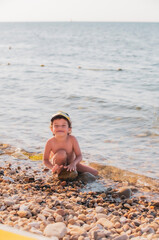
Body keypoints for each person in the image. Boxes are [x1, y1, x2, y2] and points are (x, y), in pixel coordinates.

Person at [43, 111, 98, 176]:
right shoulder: (50, 142)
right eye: (56, 125)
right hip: (59, 165)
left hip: (72, 164)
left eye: (63, 125)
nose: (60, 128)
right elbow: (45, 160)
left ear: (69, 129)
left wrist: (74, 164)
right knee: (61, 153)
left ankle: (72, 171)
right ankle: (59, 172)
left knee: (95, 172)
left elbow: (79, 156)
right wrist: (52, 167)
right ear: (51, 129)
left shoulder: (72, 139)